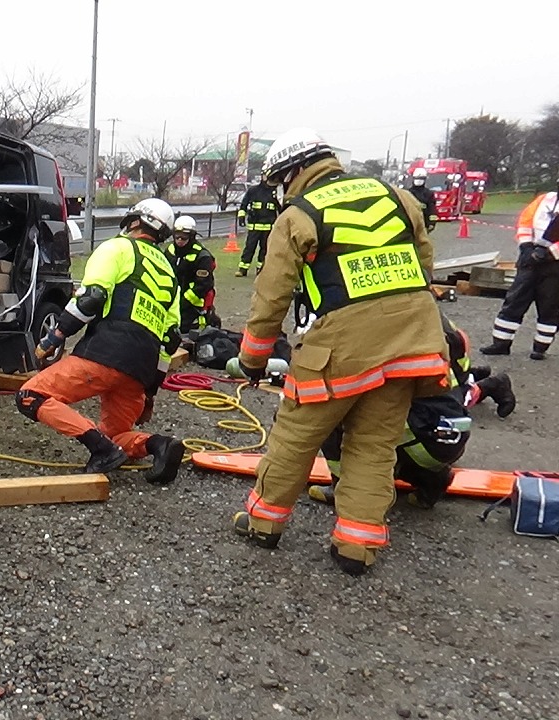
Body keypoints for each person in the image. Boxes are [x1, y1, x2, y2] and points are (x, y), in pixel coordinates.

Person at [230, 127, 449, 576]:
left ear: (294, 171)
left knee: (295, 438)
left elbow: (271, 298)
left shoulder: (299, 215)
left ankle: (264, 524)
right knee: (374, 447)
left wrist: (252, 359)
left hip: (339, 352)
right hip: (409, 347)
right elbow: (423, 268)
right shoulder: (398, 197)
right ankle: (356, 547)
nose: (279, 190)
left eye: (279, 181)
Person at [15, 198, 187, 483]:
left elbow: (92, 298)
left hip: (106, 354)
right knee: (117, 435)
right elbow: (170, 339)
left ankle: (100, 449)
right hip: (140, 372)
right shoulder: (170, 272)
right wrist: (150, 393)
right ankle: (159, 444)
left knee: (31, 396)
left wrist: (53, 337)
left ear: (134, 221)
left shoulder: (117, 248)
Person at [310, 312, 515, 510]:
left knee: (331, 415)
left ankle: (345, 488)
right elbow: (457, 375)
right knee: (439, 401)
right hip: (450, 438)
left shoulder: (374, 327)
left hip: (420, 430)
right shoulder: (428, 316)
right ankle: (432, 480)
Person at [481, 182, 559, 360]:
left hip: (554, 266)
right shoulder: (545, 200)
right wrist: (526, 247)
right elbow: (525, 222)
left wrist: (550, 253)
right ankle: (501, 343)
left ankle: (540, 348)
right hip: (530, 259)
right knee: (514, 301)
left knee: (550, 307)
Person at [165, 215, 217, 332]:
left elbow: (202, 285)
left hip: (193, 306)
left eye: (184, 237)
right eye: (177, 236)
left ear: (192, 236)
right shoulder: (170, 251)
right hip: (171, 301)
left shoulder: (202, 257)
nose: (179, 240)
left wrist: (183, 302)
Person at [235, 179, 280, 277]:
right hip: (254, 226)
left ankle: (261, 269)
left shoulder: (276, 192)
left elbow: (280, 208)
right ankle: (243, 269)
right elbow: (244, 204)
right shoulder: (253, 190)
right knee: (249, 247)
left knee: (265, 249)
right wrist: (241, 217)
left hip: (269, 226)